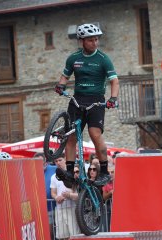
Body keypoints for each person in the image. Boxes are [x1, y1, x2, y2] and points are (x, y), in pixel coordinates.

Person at [54, 23, 119, 187]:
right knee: (72, 136)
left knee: (94, 133)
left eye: (96, 40)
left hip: (96, 100)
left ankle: (104, 171)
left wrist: (113, 98)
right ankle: (69, 171)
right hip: (77, 99)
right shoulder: (74, 58)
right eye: (91, 40)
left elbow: (114, 81)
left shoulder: (103, 59)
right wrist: (60, 86)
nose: (95, 43)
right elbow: (65, 76)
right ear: (81, 41)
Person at [50, 153, 80, 240]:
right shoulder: (54, 177)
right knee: (64, 235)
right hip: (60, 208)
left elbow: (75, 188)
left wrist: (68, 195)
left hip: (71, 207)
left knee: (74, 234)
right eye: (56, 161)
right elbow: (53, 192)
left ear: (65, 159)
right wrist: (56, 197)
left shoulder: (72, 173)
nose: (58, 162)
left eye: (60, 160)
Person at [34, 152, 57, 240]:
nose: (39, 165)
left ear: (46, 163)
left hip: (52, 208)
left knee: (52, 233)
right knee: (44, 235)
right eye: (36, 162)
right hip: (37, 210)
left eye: (40, 162)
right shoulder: (31, 171)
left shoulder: (54, 169)